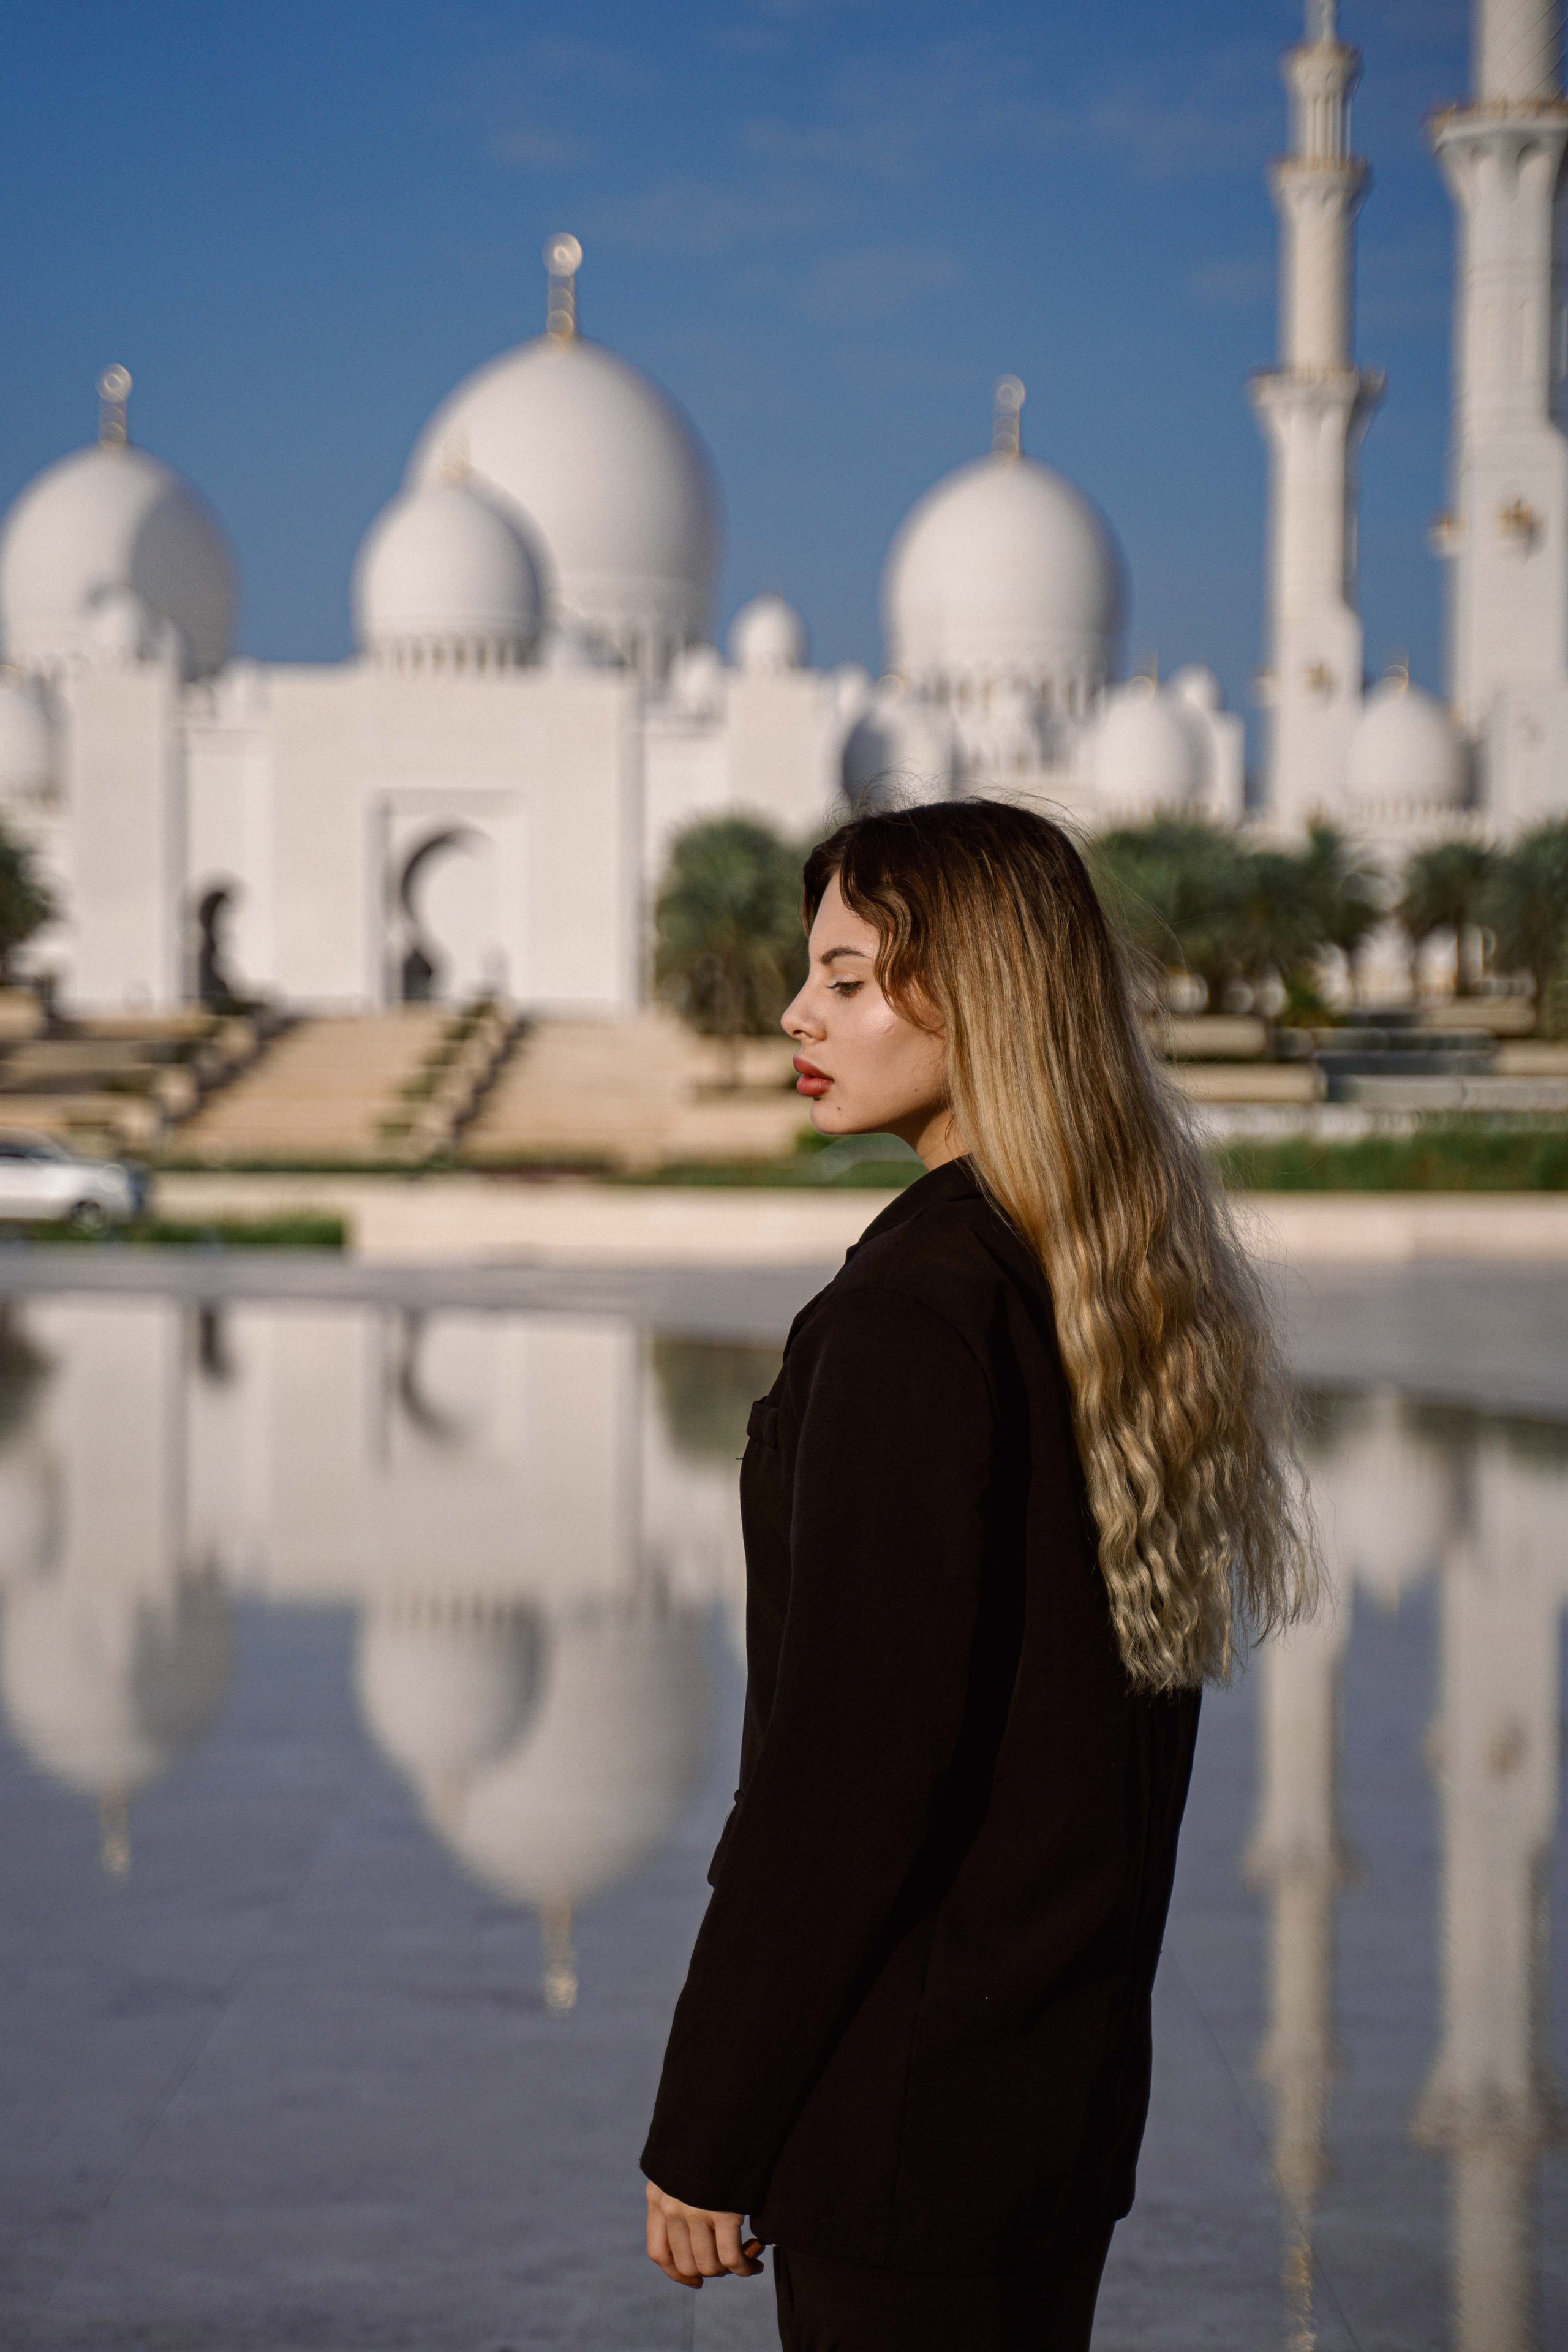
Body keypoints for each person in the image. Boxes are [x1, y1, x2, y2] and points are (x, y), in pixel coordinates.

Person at [640, 799, 1316, 2350]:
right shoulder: (1090, 1281)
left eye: (850, 978)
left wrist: (708, 2117)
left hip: (900, 2119)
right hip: (1045, 2106)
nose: (799, 1016)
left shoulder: (915, 1316)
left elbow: (846, 1776)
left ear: (982, 998)